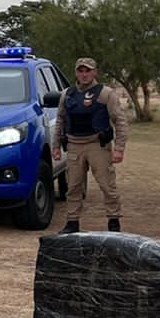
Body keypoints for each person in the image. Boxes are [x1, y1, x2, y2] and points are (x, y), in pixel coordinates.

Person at [55, 57, 129, 233]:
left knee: (107, 185)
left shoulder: (105, 94)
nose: (84, 74)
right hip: (74, 145)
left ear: (95, 72)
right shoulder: (67, 94)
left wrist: (119, 148)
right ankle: (72, 222)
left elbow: (119, 121)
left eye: (88, 70)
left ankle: (113, 222)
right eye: (80, 71)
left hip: (98, 145)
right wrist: (56, 145)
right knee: (73, 186)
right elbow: (60, 120)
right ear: (76, 73)